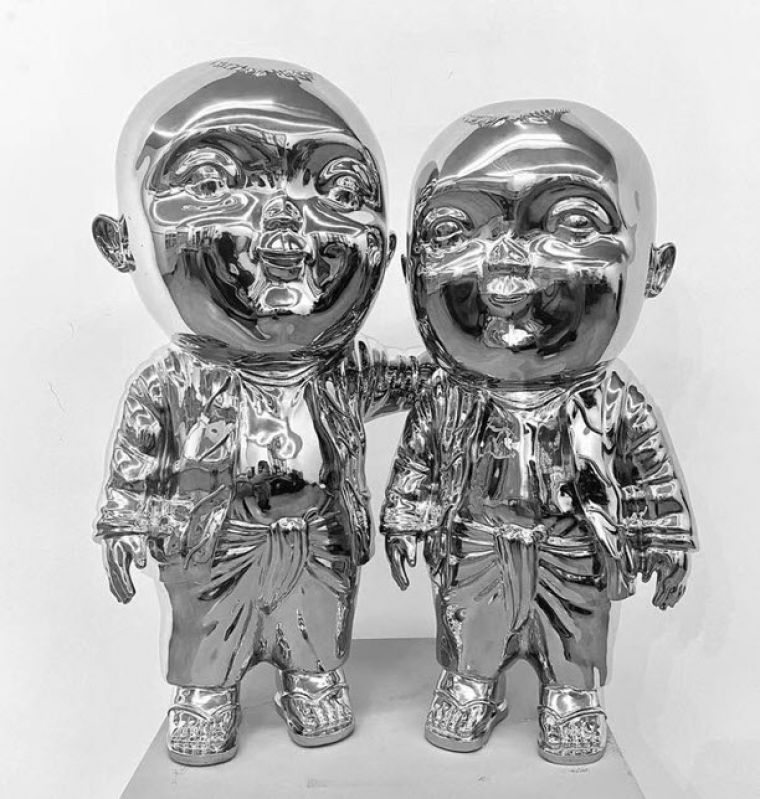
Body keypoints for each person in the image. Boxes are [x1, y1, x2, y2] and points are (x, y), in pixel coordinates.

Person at [92, 58, 429, 766]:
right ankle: (205, 693)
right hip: (213, 543)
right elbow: (135, 461)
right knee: (211, 621)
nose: (285, 223)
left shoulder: (350, 368)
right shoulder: (169, 381)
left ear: (387, 250)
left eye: (340, 191)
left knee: (315, 614)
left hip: (319, 535)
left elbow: (427, 380)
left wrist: (485, 367)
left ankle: (313, 678)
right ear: (122, 242)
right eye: (213, 185)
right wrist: (123, 522)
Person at [381, 101, 695, 764]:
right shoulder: (448, 393)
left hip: (573, 544)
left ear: (653, 269)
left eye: (573, 224)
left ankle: (571, 694)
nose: (506, 267)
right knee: (473, 619)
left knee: (575, 624)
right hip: (477, 540)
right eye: (454, 231)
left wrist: (663, 536)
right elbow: (419, 463)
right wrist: (407, 518)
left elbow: (651, 473)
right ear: (409, 272)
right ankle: (472, 683)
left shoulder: (613, 398)